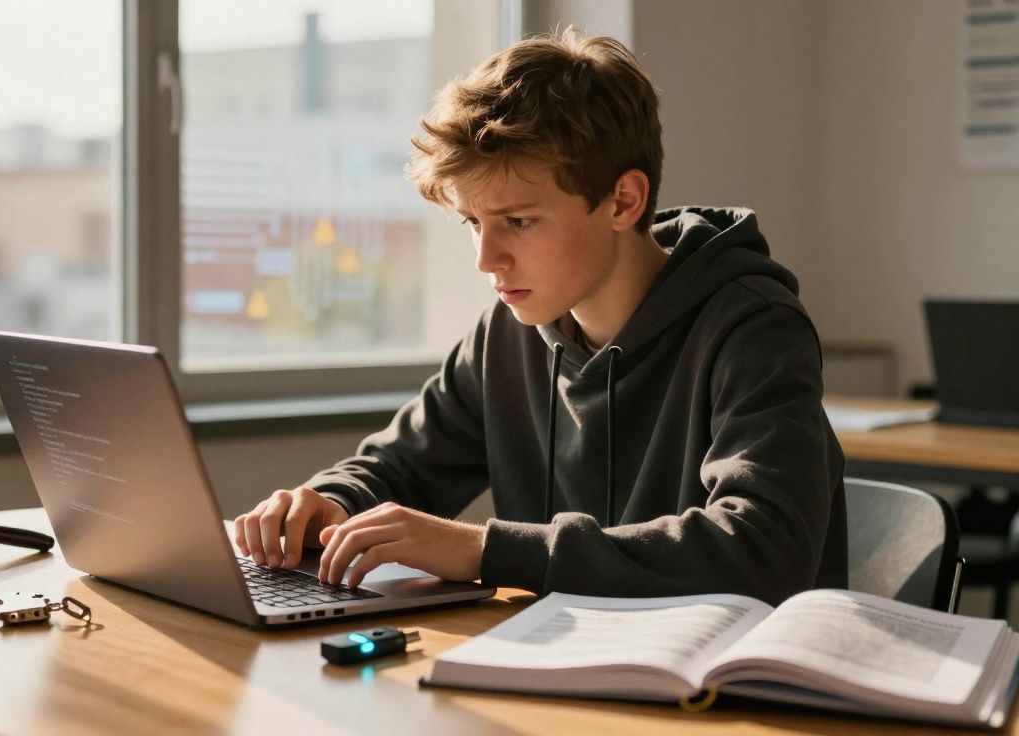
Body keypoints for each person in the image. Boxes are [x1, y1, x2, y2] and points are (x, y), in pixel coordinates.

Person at [233, 29, 846, 605]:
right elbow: (402, 466)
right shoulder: (511, 329)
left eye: (518, 222)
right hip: (560, 668)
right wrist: (331, 502)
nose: (485, 259)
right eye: (473, 223)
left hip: (730, 693)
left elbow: (764, 550)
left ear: (622, 201)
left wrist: (482, 549)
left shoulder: (754, 328)